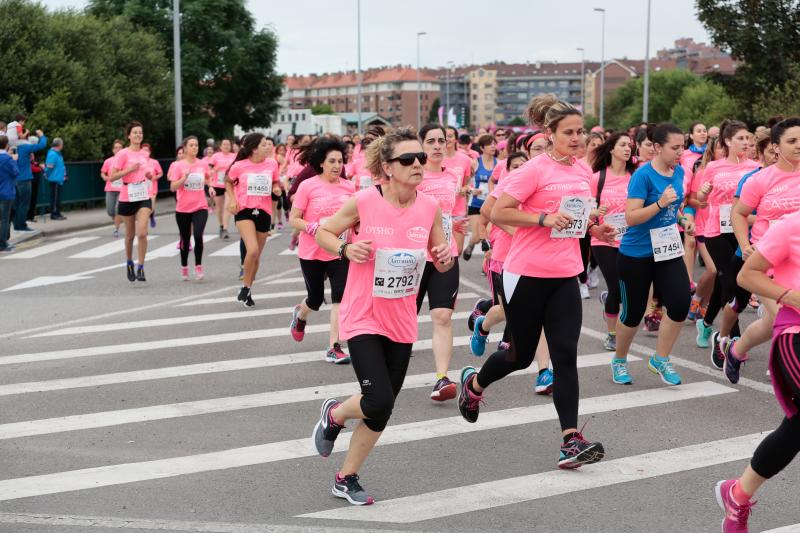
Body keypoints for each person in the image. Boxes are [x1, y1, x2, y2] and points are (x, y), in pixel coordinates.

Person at [458, 94, 615, 469]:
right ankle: (474, 385)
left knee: (565, 356)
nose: (577, 139)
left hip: (565, 274)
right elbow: (497, 211)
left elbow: (574, 218)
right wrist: (544, 219)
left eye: (581, 132)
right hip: (526, 273)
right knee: (519, 354)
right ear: (550, 133)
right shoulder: (533, 170)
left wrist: (596, 227)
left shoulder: (581, 171)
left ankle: (570, 440)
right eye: (569, 133)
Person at [310, 127, 452, 505]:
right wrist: (345, 248)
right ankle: (337, 413)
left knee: (383, 407)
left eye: (421, 158)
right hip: (363, 315)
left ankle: (346, 476)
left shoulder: (429, 207)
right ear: (387, 167)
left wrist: (444, 257)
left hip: (402, 317)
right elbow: (324, 232)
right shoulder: (364, 201)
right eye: (408, 159)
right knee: (377, 400)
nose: (418, 164)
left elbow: (439, 250)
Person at [715, 209, 800, 533]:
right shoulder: (791, 226)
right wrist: (791, 296)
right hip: (795, 335)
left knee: (795, 428)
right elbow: (748, 275)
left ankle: (737, 495)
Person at [715, 117, 800, 382]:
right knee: (786, 321)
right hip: (768, 263)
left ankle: (736, 349)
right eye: (792, 141)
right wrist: (745, 245)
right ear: (775, 147)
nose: (799, 146)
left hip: (796, 261)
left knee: (772, 323)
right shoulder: (761, 179)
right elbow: (738, 214)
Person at [610, 123, 693, 386]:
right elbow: (631, 217)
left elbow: (674, 207)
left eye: (683, 147)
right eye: (675, 147)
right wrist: (660, 203)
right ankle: (620, 360)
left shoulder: (678, 171)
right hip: (636, 254)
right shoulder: (643, 176)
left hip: (667, 250)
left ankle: (661, 359)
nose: (680, 152)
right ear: (657, 147)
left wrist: (683, 219)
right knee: (632, 314)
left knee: (680, 304)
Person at [288, 137, 355, 364]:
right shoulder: (308, 186)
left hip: (338, 251)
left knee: (340, 297)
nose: (337, 165)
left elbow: (355, 217)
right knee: (315, 299)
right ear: (321, 163)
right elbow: (293, 219)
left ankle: (334, 347)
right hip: (312, 251)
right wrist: (311, 226)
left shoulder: (349, 187)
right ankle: (300, 315)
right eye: (332, 161)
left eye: (340, 161)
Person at [694, 121, 759, 351]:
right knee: (727, 280)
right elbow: (700, 200)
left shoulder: (756, 167)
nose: (745, 142)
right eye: (740, 138)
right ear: (728, 141)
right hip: (717, 230)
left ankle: (706, 322)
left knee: (734, 284)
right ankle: (734, 336)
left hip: (743, 232)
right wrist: (702, 194)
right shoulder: (713, 167)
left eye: (747, 138)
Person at [415, 124, 465, 400]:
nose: (437, 146)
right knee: (403, 317)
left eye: (441, 141)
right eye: (431, 141)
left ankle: (442, 378)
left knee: (442, 316)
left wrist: (458, 224)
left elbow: (450, 212)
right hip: (412, 257)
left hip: (446, 254)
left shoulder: (453, 175)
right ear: (421, 145)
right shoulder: (413, 175)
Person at [590, 132, 637, 351]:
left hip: (630, 240)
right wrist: (595, 211)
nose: (628, 148)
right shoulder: (597, 177)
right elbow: (586, 211)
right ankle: (611, 333)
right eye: (623, 145)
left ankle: (612, 306)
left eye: (630, 145)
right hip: (604, 240)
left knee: (628, 287)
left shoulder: (635, 176)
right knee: (616, 287)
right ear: (611, 149)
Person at [225, 133, 281, 307]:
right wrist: (233, 199)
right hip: (244, 210)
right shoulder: (239, 166)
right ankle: (245, 285)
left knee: (256, 258)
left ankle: (247, 288)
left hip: (263, 211)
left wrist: (277, 189)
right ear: (254, 148)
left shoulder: (272, 163)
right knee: (253, 250)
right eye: (264, 144)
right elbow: (227, 181)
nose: (268, 147)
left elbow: (275, 183)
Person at [110, 122, 155, 282]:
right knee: (129, 236)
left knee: (142, 232)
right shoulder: (122, 154)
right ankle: (129, 262)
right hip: (127, 195)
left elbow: (147, 171)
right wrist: (129, 170)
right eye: (135, 132)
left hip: (143, 195)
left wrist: (149, 175)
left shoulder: (144, 154)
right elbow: (112, 176)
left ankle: (141, 266)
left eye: (140, 133)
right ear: (129, 135)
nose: (138, 135)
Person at [170, 136, 212, 281]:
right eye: (191, 145)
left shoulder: (203, 164)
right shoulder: (178, 166)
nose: (194, 147)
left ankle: (198, 266)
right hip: (182, 208)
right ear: (185, 148)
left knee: (198, 235)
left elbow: (208, 178)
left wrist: (211, 187)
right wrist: (184, 178)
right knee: (185, 239)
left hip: (200, 206)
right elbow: (173, 187)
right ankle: (184, 267)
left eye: (196, 145)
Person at [463, 134, 497, 260]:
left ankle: (486, 264)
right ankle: (471, 244)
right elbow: (465, 183)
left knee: (488, 234)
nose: (493, 146)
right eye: (490, 144)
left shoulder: (498, 163)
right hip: (476, 204)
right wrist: (472, 190)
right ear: (482, 148)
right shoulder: (475, 163)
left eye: (494, 143)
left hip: (491, 205)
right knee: (477, 236)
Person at [443, 125, 474, 255]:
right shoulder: (434, 159)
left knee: (458, 250)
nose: (447, 139)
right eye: (444, 136)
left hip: (458, 209)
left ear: (456, 139)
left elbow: (468, 183)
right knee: (442, 249)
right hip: (441, 210)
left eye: (450, 136)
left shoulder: (465, 159)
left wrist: (465, 188)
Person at [13, 131, 47, 232]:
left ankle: (16, 225)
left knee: (16, 204)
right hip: (24, 179)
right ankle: (22, 225)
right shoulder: (25, 147)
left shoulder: (12, 147)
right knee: (24, 204)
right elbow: (42, 145)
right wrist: (42, 135)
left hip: (14, 179)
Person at [208, 139, 236, 239]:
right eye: (224, 144)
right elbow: (209, 170)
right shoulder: (215, 156)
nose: (226, 146)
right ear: (220, 146)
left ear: (231, 146)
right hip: (217, 184)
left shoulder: (234, 156)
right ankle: (221, 225)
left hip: (229, 184)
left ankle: (225, 229)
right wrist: (216, 169)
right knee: (219, 208)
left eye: (228, 144)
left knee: (227, 205)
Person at [101, 139, 125, 237]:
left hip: (122, 189)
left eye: (120, 147)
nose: (118, 149)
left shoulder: (126, 161)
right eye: (116, 148)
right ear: (113, 150)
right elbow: (102, 172)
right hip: (110, 188)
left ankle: (116, 229)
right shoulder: (108, 161)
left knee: (117, 209)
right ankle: (119, 221)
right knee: (110, 211)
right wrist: (105, 177)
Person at [0, 135, 18, 253]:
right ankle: (3, 243)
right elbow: (16, 172)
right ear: (7, 145)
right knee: (5, 219)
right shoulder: (8, 158)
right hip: (6, 192)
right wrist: (14, 160)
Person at [44, 138, 66, 220]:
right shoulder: (53, 154)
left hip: (58, 178)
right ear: (59, 145)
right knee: (55, 197)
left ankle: (58, 213)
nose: (62, 146)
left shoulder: (58, 154)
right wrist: (46, 173)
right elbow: (49, 167)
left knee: (57, 197)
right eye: (62, 144)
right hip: (54, 178)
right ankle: (54, 214)